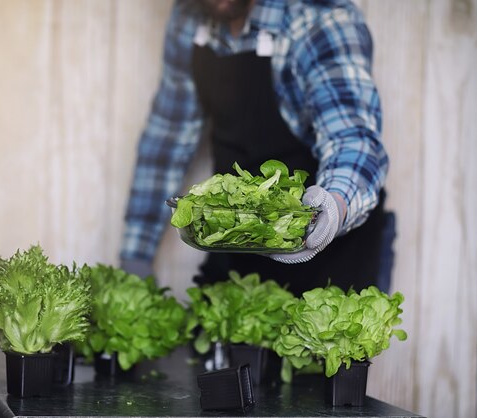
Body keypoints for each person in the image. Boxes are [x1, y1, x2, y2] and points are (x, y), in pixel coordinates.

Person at [120, 0, 394, 296]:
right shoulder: (189, 17)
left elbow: (352, 139)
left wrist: (331, 209)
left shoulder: (320, 21)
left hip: (333, 261)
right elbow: (169, 138)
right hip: (236, 248)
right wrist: (135, 258)